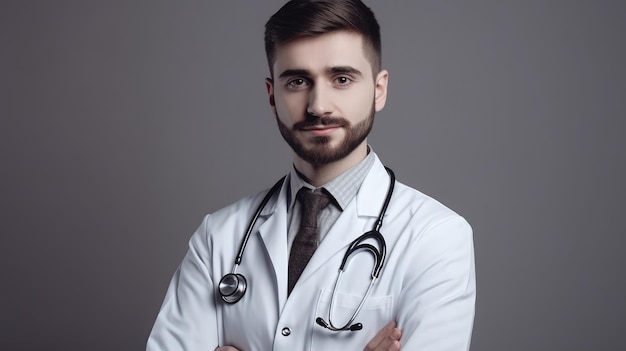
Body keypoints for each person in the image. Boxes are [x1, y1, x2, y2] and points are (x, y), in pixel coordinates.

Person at [147, 0, 475, 350]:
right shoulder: (219, 237)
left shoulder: (436, 238)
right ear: (272, 96)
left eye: (342, 79)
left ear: (379, 90)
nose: (318, 105)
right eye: (298, 81)